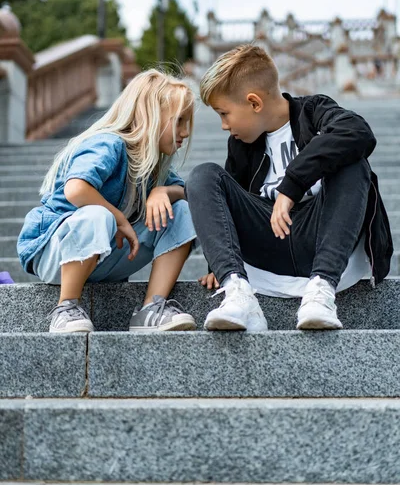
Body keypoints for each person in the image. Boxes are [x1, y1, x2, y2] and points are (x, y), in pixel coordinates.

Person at [186, 45, 393, 332]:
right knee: (203, 175)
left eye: (225, 113)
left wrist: (291, 186)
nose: (223, 125)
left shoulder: (313, 111)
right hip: (270, 242)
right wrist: (217, 264)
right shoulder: (241, 144)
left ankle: (320, 294)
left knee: (353, 162)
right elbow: (226, 203)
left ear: (254, 103)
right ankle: (238, 294)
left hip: (324, 241)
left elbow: (358, 132)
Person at [17, 69, 198, 334]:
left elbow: (187, 191)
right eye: (179, 121)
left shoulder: (152, 165)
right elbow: (77, 190)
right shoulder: (108, 144)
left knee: (180, 211)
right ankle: (65, 308)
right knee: (97, 214)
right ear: (151, 115)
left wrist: (163, 193)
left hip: (102, 258)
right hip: (55, 253)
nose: (185, 132)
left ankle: (151, 308)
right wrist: (119, 217)